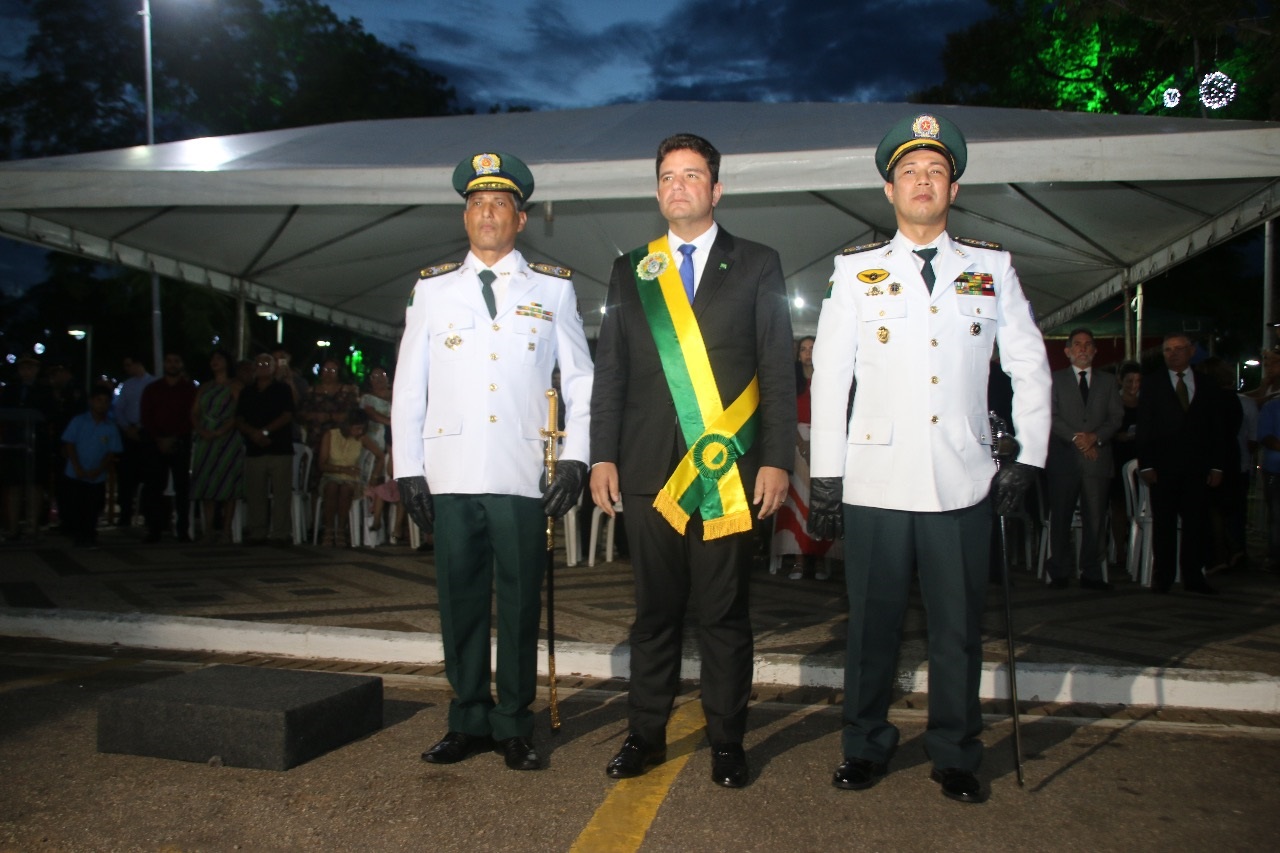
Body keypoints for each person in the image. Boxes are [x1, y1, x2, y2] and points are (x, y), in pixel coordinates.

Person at [807, 113, 1050, 805]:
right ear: (889, 189)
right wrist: (827, 471)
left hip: (963, 479)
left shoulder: (991, 266)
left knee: (956, 630)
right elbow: (831, 374)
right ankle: (864, 743)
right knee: (872, 631)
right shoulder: (855, 270)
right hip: (877, 480)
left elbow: (1029, 365)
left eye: (935, 171)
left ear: (953, 186)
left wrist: (1026, 457)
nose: (923, 181)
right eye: (910, 172)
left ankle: (955, 751)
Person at [590, 133, 795, 789]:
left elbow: (778, 370)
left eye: (693, 175)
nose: (679, 186)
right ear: (657, 191)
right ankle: (644, 736)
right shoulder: (633, 269)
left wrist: (777, 459)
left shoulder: (759, 263)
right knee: (654, 613)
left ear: (716, 189)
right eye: (668, 177)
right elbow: (611, 371)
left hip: (728, 473)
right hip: (648, 472)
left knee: (724, 614)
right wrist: (601, 455)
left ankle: (727, 741)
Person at [392, 150, 592, 773]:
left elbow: (581, 378)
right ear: (465, 215)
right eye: (477, 203)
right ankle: (468, 717)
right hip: (449, 472)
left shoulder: (553, 287)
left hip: (521, 471)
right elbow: (408, 383)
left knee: (519, 599)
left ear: (521, 219)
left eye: (500, 203)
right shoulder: (432, 288)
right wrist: (407, 467)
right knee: (460, 598)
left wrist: (578, 459)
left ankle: (513, 723)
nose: (487, 214)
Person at [1136, 333, 1230, 594]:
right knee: (1164, 523)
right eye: (1168, 350)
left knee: (1195, 523)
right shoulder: (1153, 384)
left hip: (1197, 467)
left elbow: (1217, 429)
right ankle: (1163, 576)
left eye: (1178, 349)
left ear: (1190, 351)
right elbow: (1144, 427)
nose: (1173, 354)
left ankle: (1193, 575)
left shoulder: (1207, 384)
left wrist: (1217, 466)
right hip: (1163, 467)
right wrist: (1146, 464)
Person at [1044, 328, 1123, 590]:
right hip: (1064, 458)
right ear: (1067, 351)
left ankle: (1092, 572)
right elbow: (1050, 415)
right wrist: (1078, 439)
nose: (1083, 349)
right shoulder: (1054, 380)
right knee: (1061, 516)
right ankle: (1059, 571)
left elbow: (1116, 418)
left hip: (1097, 458)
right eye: (1077, 344)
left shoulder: (1109, 381)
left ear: (1095, 350)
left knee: (1096, 518)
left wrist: (1095, 437)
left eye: (1088, 344)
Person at [772, 335, 841, 580]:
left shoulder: (830, 381)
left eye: (813, 348)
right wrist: (801, 443)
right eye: (804, 349)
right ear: (798, 354)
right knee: (796, 503)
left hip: (824, 444)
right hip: (796, 444)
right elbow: (784, 414)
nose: (808, 353)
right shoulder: (791, 382)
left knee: (821, 502)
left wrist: (819, 443)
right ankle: (798, 559)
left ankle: (821, 560)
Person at [234, 353, 295, 544]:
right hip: (254, 449)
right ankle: (257, 531)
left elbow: (287, 414)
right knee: (255, 493)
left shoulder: (282, 389)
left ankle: (280, 532)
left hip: (279, 448)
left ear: (273, 367)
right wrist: (254, 433)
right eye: (258, 363)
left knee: (281, 494)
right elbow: (239, 419)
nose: (262, 366)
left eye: (266, 363)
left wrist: (265, 432)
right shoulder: (247, 391)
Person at [140, 351, 198, 543]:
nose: (172, 365)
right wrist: (159, 438)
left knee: (182, 487)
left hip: (180, 442)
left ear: (181, 364)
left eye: (176, 361)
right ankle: (155, 528)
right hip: (156, 443)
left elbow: (192, 416)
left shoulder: (189, 390)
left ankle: (183, 529)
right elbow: (147, 416)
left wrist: (173, 438)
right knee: (155, 486)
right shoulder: (153, 389)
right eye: (169, 361)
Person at [189, 349, 244, 544]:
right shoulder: (205, 387)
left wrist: (221, 431)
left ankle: (226, 530)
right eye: (212, 359)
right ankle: (209, 529)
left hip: (227, 440)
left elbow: (239, 412)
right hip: (205, 438)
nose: (215, 362)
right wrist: (201, 430)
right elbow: (194, 412)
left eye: (219, 358)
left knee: (228, 485)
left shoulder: (235, 386)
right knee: (206, 484)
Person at [60, 386, 122, 547]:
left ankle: (90, 533)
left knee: (93, 506)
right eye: (98, 400)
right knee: (76, 505)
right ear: (91, 402)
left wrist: (99, 470)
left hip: (97, 475)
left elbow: (111, 452)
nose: (102, 405)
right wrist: (77, 467)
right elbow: (70, 444)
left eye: (106, 401)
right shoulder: (79, 421)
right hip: (76, 473)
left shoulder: (110, 426)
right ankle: (78, 534)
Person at [0, 353, 53, 541]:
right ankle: (13, 527)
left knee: (34, 486)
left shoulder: (44, 390)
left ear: (37, 370)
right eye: (23, 367)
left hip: (35, 443)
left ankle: (33, 525)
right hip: (14, 443)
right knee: (13, 486)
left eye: (30, 368)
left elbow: (48, 414)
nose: (27, 371)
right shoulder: (10, 390)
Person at [316, 409, 383, 547]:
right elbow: (322, 465)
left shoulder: (362, 438)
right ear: (348, 425)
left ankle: (341, 529)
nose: (359, 432)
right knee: (332, 487)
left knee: (346, 489)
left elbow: (381, 456)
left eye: (362, 429)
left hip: (352, 480)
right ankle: (328, 530)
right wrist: (342, 469)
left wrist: (374, 476)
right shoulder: (330, 435)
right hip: (331, 475)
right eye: (357, 428)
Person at [113, 354, 153, 528]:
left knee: (148, 475)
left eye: (129, 365)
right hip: (128, 433)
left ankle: (147, 512)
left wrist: (140, 426)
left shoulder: (152, 383)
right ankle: (125, 514)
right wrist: (126, 428)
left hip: (146, 433)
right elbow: (119, 409)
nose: (127, 369)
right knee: (126, 477)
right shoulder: (127, 385)